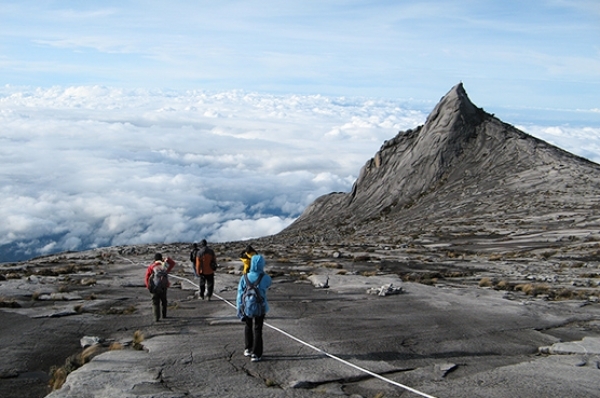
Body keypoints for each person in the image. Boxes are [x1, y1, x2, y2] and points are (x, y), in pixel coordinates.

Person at [236, 253, 272, 362]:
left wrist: (239, 308)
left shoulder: (244, 277)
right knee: (258, 329)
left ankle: (248, 348)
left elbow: (239, 294)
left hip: (247, 306)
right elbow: (269, 284)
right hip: (260, 307)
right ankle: (256, 354)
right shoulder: (265, 277)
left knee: (248, 326)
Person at [144, 253, 176, 322]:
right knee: (164, 301)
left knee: (155, 302)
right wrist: (166, 259)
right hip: (163, 287)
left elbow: (147, 277)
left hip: (154, 287)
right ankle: (164, 315)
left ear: (154, 259)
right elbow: (173, 263)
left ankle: (156, 318)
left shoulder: (151, 267)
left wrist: (148, 286)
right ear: (161, 259)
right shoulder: (164, 266)